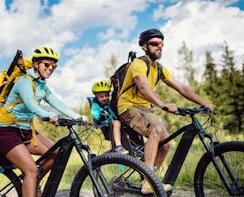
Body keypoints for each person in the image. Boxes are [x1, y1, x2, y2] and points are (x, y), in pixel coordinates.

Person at [117, 28, 215, 194]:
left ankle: (152, 180)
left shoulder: (159, 68)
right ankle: (148, 183)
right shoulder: (139, 64)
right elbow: (142, 86)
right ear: (144, 46)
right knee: (156, 130)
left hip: (145, 109)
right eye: (154, 44)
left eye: (161, 44)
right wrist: (162, 104)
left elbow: (181, 87)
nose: (159, 47)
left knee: (166, 144)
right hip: (127, 106)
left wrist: (203, 102)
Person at [0, 46, 88, 197]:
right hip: (7, 132)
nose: (50, 68)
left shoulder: (42, 85)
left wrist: (77, 116)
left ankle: (32, 183)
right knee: (30, 169)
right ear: (36, 64)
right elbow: (31, 103)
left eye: (54, 66)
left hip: (26, 131)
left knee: (57, 154)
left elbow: (56, 102)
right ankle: (31, 180)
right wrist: (47, 115)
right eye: (47, 64)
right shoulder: (24, 81)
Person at [91, 80, 129, 154]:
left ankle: (133, 145)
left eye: (107, 95)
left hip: (112, 122)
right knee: (117, 123)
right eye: (101, 97)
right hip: (105, 124)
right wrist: (100, 115)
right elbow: (95, 114)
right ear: (96, 96)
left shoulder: (109, 103)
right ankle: (118, 146)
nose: (105, 98)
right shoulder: (95, 105)